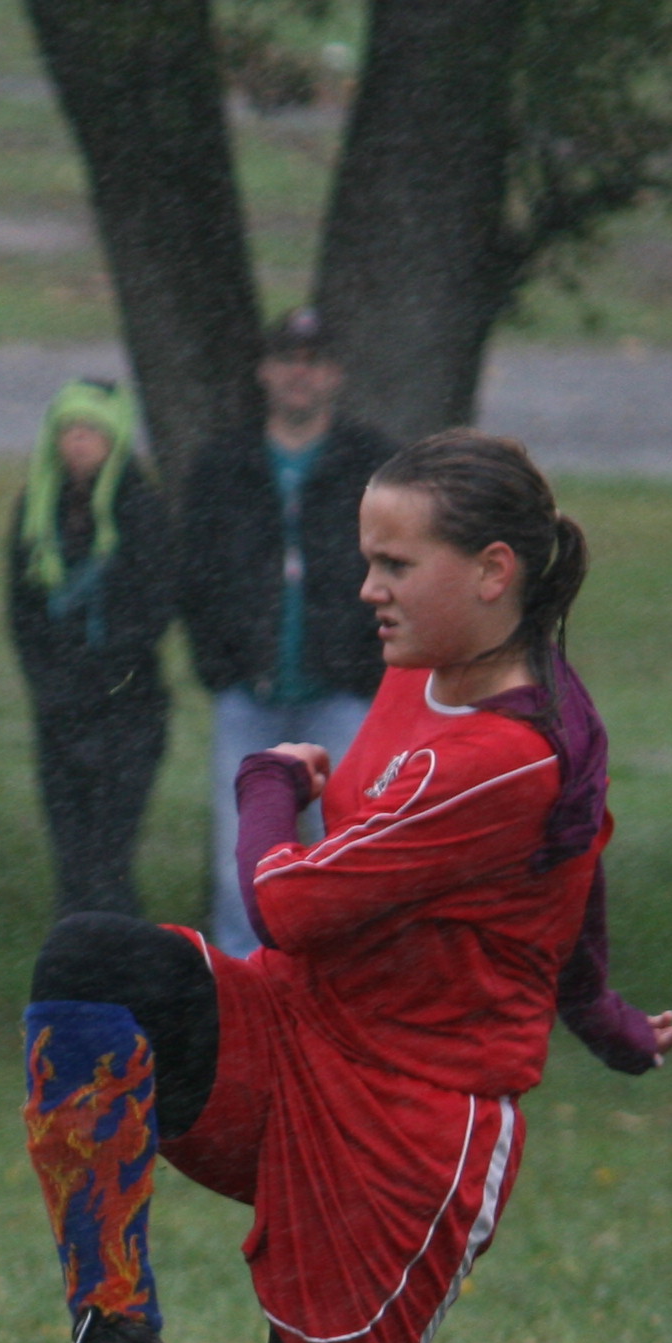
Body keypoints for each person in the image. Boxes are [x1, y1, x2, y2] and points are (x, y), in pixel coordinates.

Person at [14, 429, 672, 1343]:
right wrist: (610, 1016)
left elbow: (296, 900)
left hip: (409, 1134)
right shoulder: (424, 674)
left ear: (492, 572)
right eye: (367, 558)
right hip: (297, 1036)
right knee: (92, 960)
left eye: (395, 563)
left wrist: (270, 786)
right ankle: (115, 1334)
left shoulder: (511, 753)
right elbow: (552, 882)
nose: (367, 587)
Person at [173, 307, 394, 957]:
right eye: (288, 361)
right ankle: (246, 989)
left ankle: (333, 988)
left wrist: (366, 664)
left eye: (314, 363)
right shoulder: (225, 464)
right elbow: (195, 572)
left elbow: (398, 566)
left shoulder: (371, 465)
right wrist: (220, 663)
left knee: (343, 854)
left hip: (341, 697)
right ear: (264, 372)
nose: (301, 375)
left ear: (335, 375)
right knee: (241, 863)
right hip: (249, 696)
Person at [5, 376, 177, 922]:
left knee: (109, 856)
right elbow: (22, 610)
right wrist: (52, 683)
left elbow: (154, 608)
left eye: (93, 430)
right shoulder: (37, 511)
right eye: (70, 429)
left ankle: (116, 948)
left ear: (116, 439)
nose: (79, 441)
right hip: (60, 709)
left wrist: (105, 675)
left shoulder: (141, 510)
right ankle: (80, 948)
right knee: (72, 855)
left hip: (128, 709)